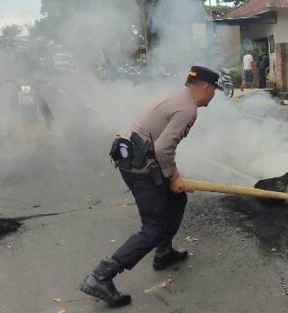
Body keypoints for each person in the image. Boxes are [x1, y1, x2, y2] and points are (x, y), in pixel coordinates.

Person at [79, 66, 223, 307]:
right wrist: (174, 176)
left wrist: (173, 176)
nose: (214, 95)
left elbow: (160, 147)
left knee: (177, 199)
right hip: (142, 166)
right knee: (152, 228)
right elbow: (164, 148)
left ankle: (164, 252)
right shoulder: (187, 107)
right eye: (214, 90)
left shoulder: (177, 96)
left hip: (135, 158)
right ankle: (100, 276)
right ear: (207, 88)